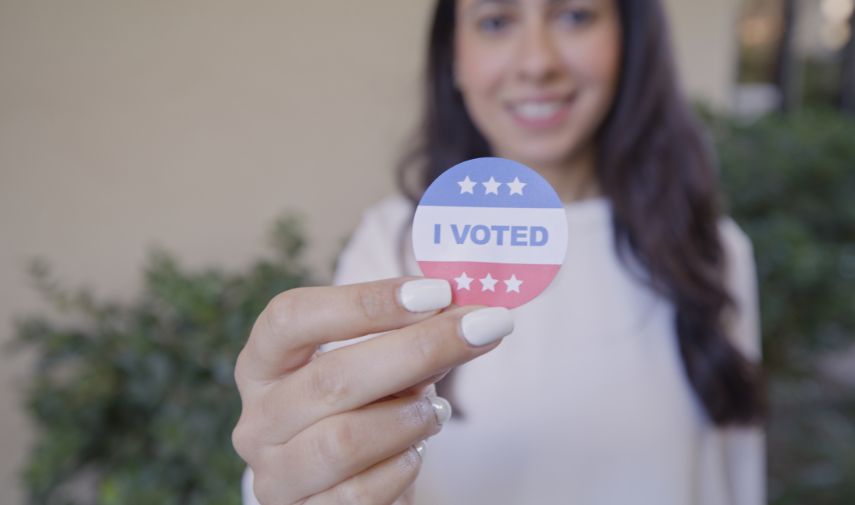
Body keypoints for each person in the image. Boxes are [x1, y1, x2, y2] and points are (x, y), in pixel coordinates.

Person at [232, 0, 766, 503]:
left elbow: (737, 474)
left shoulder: (712, 250)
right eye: (494, 22)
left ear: (631, 40)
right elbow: (314, 468)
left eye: (575, 15)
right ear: (454, 59)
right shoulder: (391, 244)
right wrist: (286, 482)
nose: (537, 62)